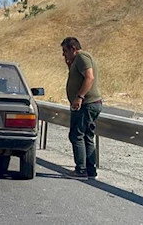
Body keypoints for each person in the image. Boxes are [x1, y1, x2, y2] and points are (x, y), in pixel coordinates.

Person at [61, 37, 102, 179]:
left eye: (65, 51)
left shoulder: (82, 57)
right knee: (87, 136)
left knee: (76, 135)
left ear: (73, 49)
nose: (63, 54)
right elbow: (78, 77)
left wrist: (79, 97)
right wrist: (69, 65)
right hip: (90, 104)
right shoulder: (77, 60)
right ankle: (90, 170)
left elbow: (89, 78)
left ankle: (81, 169)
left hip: (86, 104)